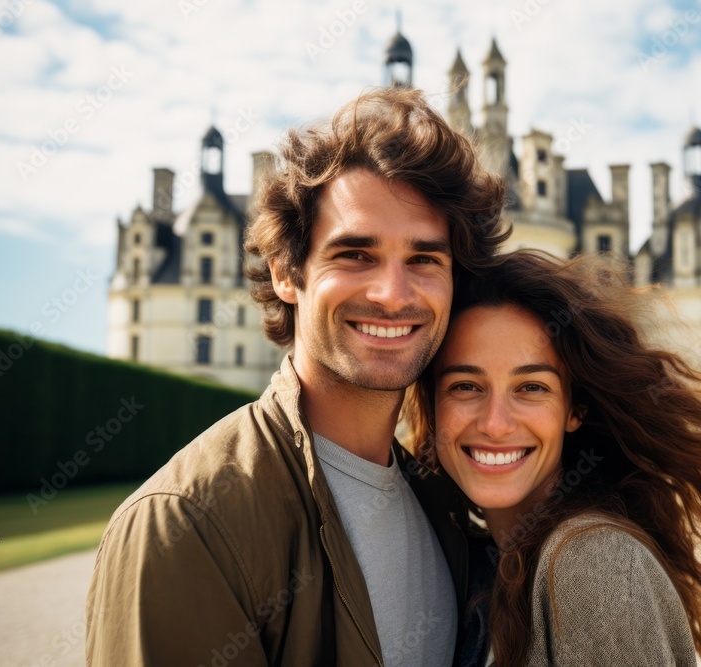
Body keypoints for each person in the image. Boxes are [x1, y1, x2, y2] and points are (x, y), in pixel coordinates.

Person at [85, 87, 508, 666]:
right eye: (355, 255)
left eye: (424, 260)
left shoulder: (450, 511)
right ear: (286, 271)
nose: (393, 293)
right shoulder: (186, 525)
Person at [406, 250, 701, 667]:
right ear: (433, 409)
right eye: (466, 386)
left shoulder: (591, 563)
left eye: (532, 388)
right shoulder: (488, 562)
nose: (496, 424)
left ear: (575, 410)